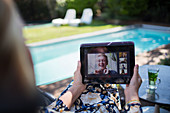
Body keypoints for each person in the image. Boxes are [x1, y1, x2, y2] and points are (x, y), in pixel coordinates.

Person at [0, 0, 142, 112]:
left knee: (93, 85)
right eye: (22, 43)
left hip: (74, 98)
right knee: (104, 85)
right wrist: (132, 96)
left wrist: (76, 87)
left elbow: (53, 110)